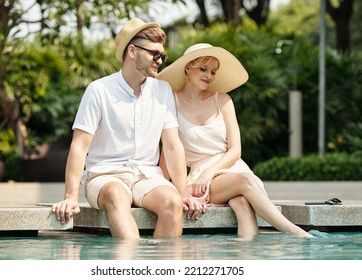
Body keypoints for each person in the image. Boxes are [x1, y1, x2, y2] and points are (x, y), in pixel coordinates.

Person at [52, 18, 205, 240]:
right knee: (116, 194)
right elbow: (79, 146)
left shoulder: (163, 91)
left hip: (147, 176)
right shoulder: (99, 90)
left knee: (173, 203)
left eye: (162, 55)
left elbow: (172, 146)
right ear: (132, 51)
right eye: (154, 54)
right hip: (105, 175)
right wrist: (70, 196)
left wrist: (183, 194)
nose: (159, 60)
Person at [157, 43, 312, 238]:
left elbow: (235, 150)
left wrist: (211, 171)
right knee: (245, 181)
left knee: (242, 204)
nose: (209, 76)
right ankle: (295, 232)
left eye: (213, 71)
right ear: (188, 67)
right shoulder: (171, 102)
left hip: (231, 167)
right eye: (203, 69)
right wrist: (160, 188)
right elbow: (169, 150)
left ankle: (244, 259)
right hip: (201, 181)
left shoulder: (222, 99)